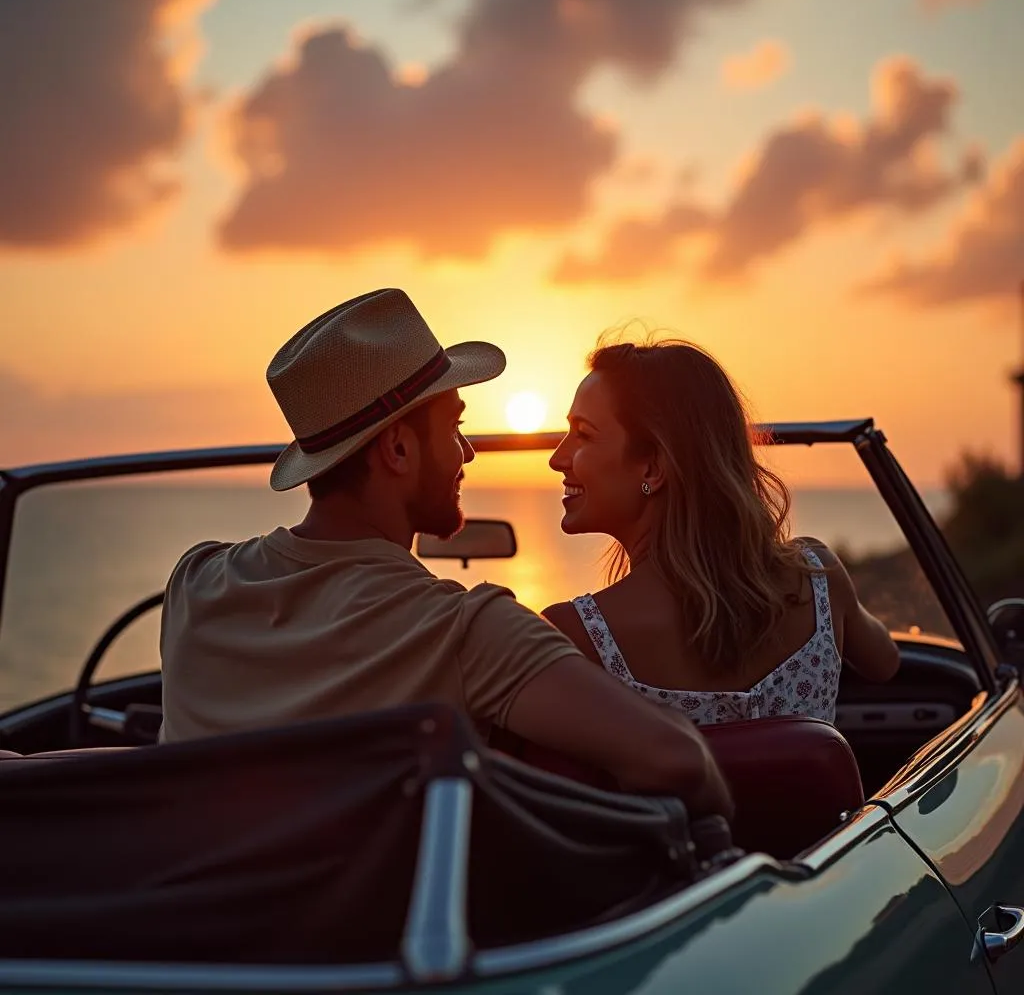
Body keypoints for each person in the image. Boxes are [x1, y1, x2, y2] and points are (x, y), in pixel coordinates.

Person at [159, 289, 732, 818]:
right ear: (400, 449)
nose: (466, 452)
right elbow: (678, 761)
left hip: (193, 923)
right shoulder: (465, 632)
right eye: (454, 427)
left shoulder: (195, 585)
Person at [542, 338, 900, 725]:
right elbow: (885, 663)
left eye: (583, 434)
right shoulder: (817, 579)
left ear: (652, 468)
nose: (557, 458)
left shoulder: (573, 637)